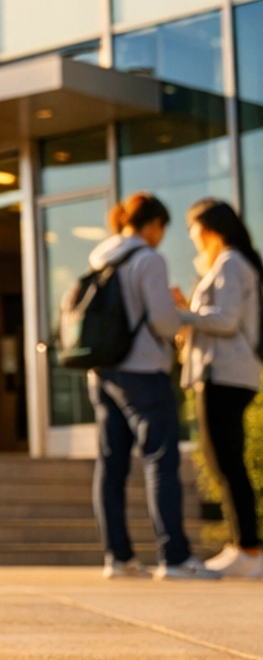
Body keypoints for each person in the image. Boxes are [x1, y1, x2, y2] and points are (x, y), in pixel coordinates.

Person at [85, 192, 211, 581]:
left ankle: (117, 558)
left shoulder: (100, 256)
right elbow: (163, 323)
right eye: (161, 229)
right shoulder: (148, 259)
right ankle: (173, 557)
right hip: (142, 370)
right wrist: (177, 308)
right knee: (160, 460)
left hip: (102, 371)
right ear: (153, 225)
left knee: (111, 464)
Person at [178, 199, 263, 580]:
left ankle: (248, 548)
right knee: (225, 462)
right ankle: (242, 546)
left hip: (225, 375)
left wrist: (176, 312)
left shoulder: (229, 262)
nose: (191, 237)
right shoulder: (227, 264)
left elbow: (226, 321)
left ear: (211, 228)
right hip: (226, 373)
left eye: (193, 229)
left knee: (227, 462)